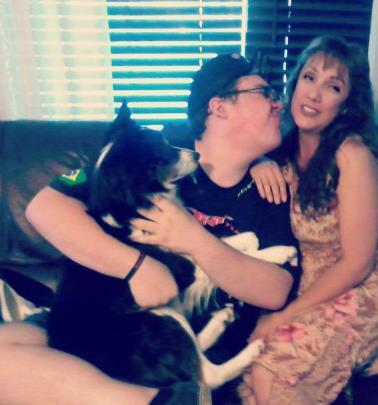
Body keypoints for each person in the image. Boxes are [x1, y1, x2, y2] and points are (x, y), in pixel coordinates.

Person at [0, 53, 299, 405]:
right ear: (219, 107)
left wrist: (194, 240)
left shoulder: (271, 188)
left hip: (166, 347)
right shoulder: (146, 152)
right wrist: (138, 267)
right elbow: (43, 207)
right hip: (94, 317)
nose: (279, 102)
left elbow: (276, 291)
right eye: (264, 92)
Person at [238, 36, 378, 405]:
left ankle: (357, 357)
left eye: (333, 87)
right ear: (295, 82)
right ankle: (360, 364)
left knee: (271, 374)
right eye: (309, 77)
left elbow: (358, 263)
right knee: (252, 372)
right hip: (311, 289)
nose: (314, 94)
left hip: (364, 288)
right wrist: (258, 161)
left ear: (346, 104)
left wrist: (282, 317)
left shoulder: (352, 155)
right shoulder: (281, 151)